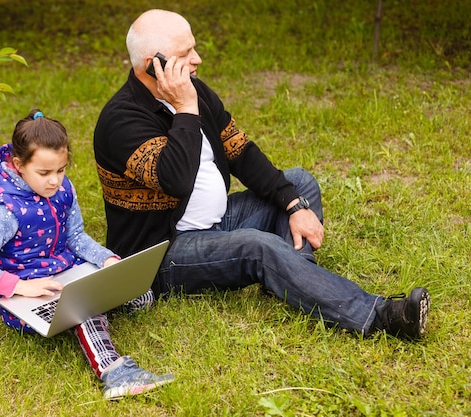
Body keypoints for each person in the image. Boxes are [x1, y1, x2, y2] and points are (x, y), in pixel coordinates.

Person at [93, 9, 431, 340]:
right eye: (186, 53)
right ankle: (380, 316)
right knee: (259, 247)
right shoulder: (122, 121)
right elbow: (177, 180)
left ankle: (292, 279)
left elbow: (240, 151)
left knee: (297, 183)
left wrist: (295, 205)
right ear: (155, 63)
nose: (197, 59)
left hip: (217, 222)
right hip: (163, 253)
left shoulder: (196, 91)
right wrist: (184, 109)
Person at [0, 109, 174, 399]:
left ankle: (95, 302)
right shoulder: (4, 212)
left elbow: (75, 237)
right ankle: (114, 373)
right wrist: (22, 286)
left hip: (66, 273)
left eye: (60, 170)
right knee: (84, 309)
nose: (54, 181)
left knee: (139, 295)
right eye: (44, 173)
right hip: (25, 296)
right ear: (19, 165)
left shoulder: (63, 190)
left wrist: (106, 259)